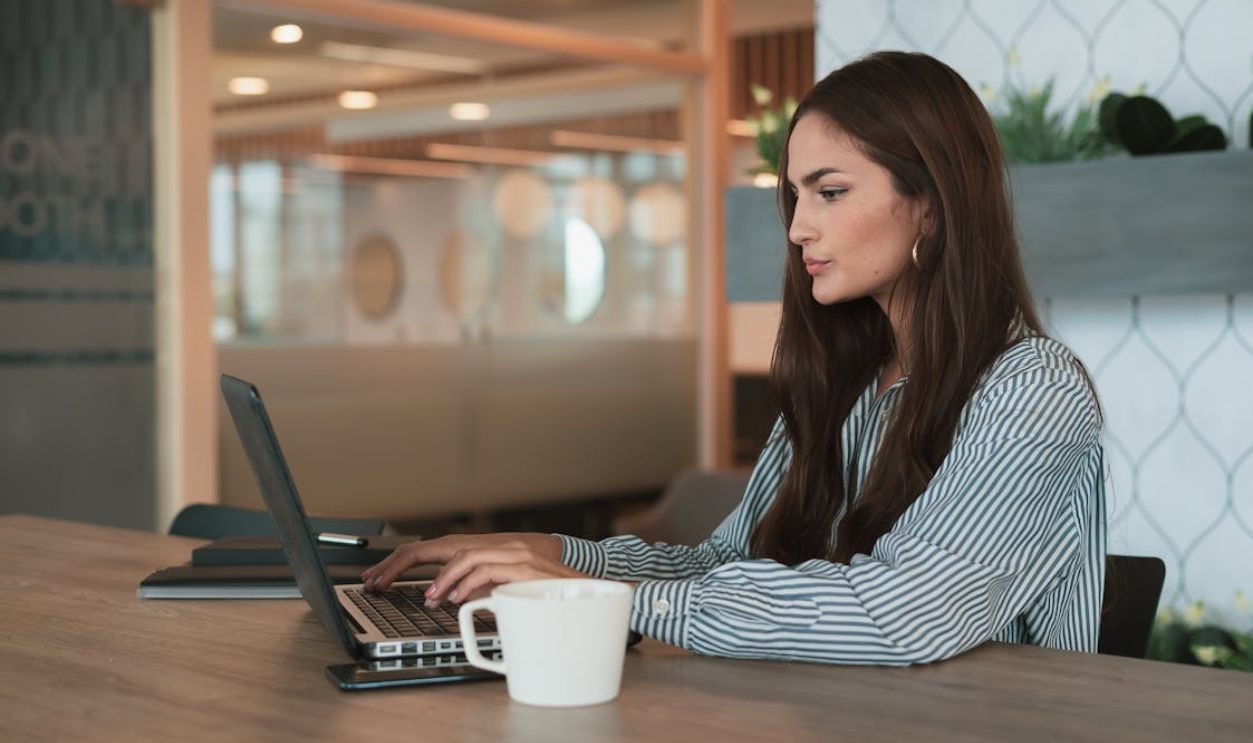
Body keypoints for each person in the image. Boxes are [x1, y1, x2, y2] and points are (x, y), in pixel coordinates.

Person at [362, 51, 1106, 666]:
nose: (797, 228)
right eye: (794, 196)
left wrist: (598, 597)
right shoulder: (842, 383)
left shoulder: (1031, 389)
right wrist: (553, 555)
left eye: (830, 192)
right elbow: (725, 565)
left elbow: (904, 611)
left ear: (932, 205)